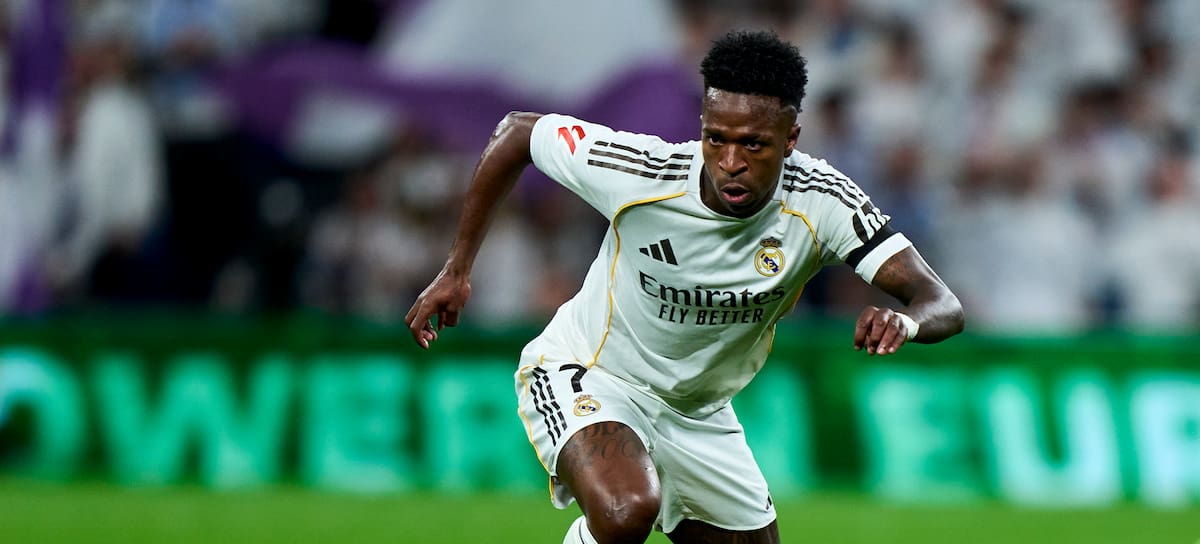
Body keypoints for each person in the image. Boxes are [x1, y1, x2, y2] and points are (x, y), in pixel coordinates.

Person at [405, 30, 964, 544]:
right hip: (590, 370)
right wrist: (457, 268)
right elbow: (518, 133)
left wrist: (906, 322)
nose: (730, 163)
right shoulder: (642, 173)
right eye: (715, 139)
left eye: (754, 145)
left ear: (790, 138)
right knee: (626, 512)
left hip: (697, 412)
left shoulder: (823, 202)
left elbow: (942, 302)